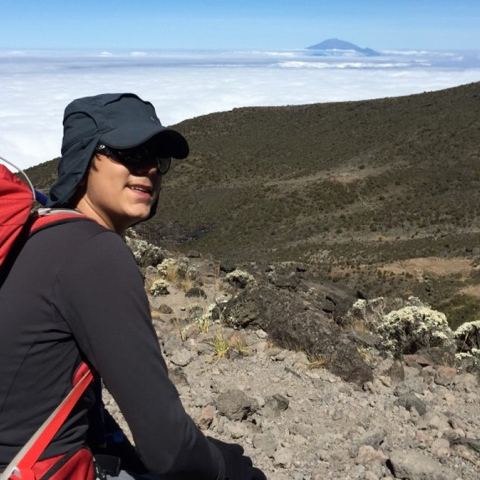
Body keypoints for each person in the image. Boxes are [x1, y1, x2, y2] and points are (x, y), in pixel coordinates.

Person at [0, 93, 266, 480]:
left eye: (158, 159)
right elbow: (170, 450)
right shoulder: (92, 253)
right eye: (129, 153)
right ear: (85, 158)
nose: (150, 170)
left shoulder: (37, 234)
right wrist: (231, 468)